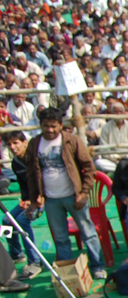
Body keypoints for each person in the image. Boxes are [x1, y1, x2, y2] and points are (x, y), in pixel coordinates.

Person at [23, 107, 106, 279]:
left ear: (60, 125)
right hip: (51, 199)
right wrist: (34, 198)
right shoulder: (34, 144)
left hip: (73, 196)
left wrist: (83, 193)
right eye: (46, 126)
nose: (50, 130)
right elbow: (31, 173)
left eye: (54, 126)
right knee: (60, 238)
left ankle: (97, 266)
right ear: (41, 125)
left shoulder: (72, 141)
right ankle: (69, 274)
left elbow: (89, 168)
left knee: (88, 233)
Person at [2, 132, 43, 279]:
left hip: (44, 198)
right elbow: (23, 185)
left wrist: (36, 200)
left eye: (15, 143)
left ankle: (35, 262)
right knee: (6, 221)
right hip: (30, 199)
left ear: (25, 142)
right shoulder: (15, 163)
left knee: (22, 221)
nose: (12, 147)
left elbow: (42, 181)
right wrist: (25, 199)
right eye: (9, 145)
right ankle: (17, 254)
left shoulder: (35, 158)